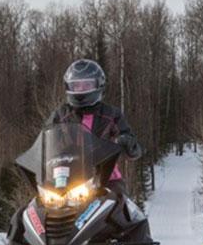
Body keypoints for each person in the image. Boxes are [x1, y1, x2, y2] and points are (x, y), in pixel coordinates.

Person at [45, 59, 142, 197]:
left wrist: (128, 144)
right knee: (30, 213)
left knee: (125, 209)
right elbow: (45, 142)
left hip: (106, 179)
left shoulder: (111, 114)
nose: (81, 89)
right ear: (68, 87)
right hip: (66, 179)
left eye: (87, 85)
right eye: (76, 85)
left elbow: (133, 149)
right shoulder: (60, 115)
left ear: (98, 85)